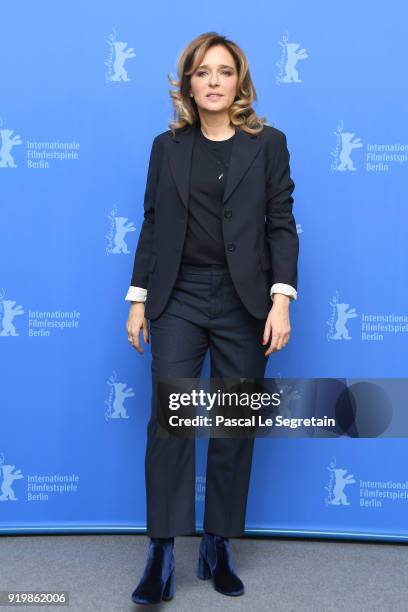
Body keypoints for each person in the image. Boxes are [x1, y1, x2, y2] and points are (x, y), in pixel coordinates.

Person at [125, 31, 299, 605]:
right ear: (189, 84)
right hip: (177, 298)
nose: (215, 82)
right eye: (203, 73)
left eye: (225, 72)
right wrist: (137, 299)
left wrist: (280, 300)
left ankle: (218, 544)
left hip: (245, 301)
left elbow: (281, 224)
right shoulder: (166, 147)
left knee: (233, 424)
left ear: (240, 82)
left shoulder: (268, 144)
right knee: (169, 422)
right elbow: (152, 225)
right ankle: (161, 553)